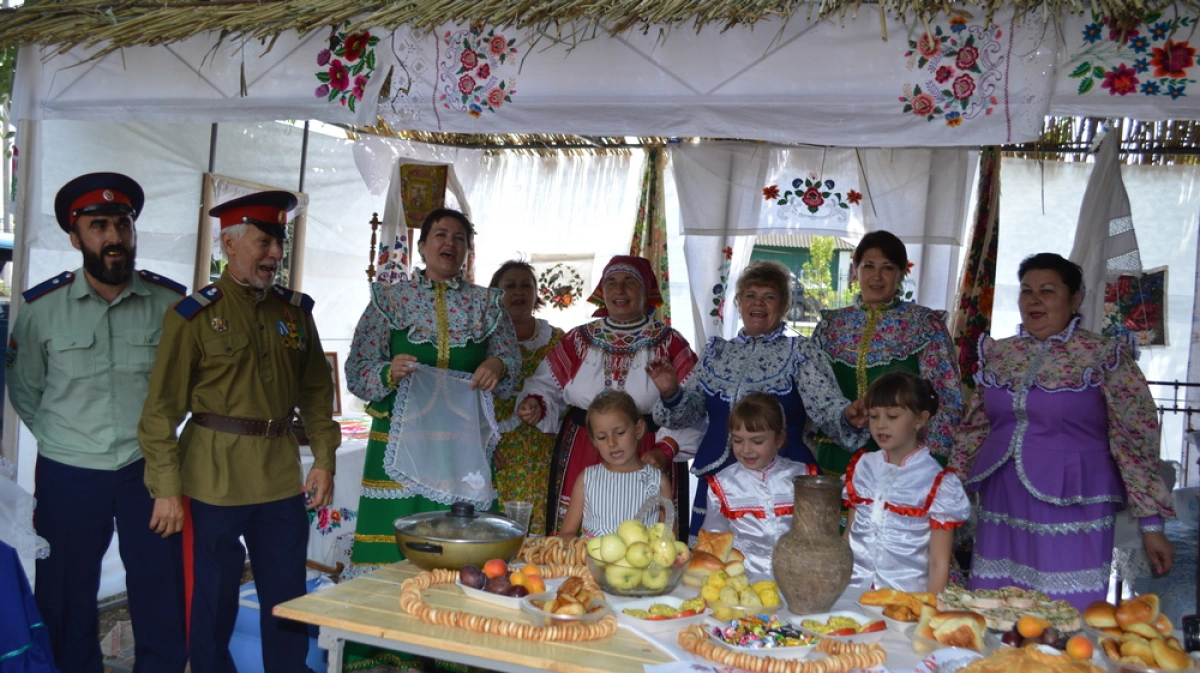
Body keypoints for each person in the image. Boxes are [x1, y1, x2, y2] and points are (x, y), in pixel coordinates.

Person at [138, 190, 340, 673]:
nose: (275, 253)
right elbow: (159, 412)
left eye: (279, 242)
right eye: (264, 241)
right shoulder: (194, 315)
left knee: (287, 596)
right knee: (211, 600)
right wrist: (165, 489)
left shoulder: (295, 314)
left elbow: (316, 394)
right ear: (229, 244)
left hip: (277, 477)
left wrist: (327, 461)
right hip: (212, 476)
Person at [6, 172, 187, 673]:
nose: (113, 237)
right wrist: (59, 438)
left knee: (159, 584)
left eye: (122, 224)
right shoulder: (41, 310)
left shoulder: (170, 305)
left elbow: (182, 387)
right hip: (69, 470)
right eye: (99, 225)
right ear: (75, 236)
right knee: (64, 589)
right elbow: (24, 387)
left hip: (146, 470)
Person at [343, 208, 519, 672]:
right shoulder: (389, 300)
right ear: (421, 246)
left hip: (461, 449)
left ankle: (455, 657)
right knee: (393, 550)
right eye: (440, 234)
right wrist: (387, 371)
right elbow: (357, 372)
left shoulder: (487, 304)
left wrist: (498, 367)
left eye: (460, 237)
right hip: (397, 448)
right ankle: (385, 655)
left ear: (467, 250)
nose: (450, 243)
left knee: (460, 549)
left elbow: (511, 364)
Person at [950, 253, 1175, 610]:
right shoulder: (1000, 354)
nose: (1034, 300)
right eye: (1026, 291)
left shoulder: (1103, 356)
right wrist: (949, 489)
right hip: (1003, 499)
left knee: (1066, 614)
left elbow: (1137, 442)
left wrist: (1151, 525)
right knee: (997, 608)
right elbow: (974, 429)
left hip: (1075, 502)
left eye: (1048, 291)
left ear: (1075, 299)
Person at [651, 260, 868, 541]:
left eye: (769, 296)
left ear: (785, 306)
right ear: (739, 303)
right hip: (718, 477)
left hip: (780, 481)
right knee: (715, 562)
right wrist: (670, 392)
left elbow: (826, 406)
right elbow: (686, 414)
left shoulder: (801, 352)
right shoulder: (717, 352)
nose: (759, 303)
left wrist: (847, 415)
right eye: (751, 295)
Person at [516, 255, 702, 536]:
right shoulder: (578, 340)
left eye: (630, 282)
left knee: (645, 536)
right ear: (603, 292)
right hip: (585, 446)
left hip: (647, 449)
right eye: (611, 282)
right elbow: (544, 385)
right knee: (581, 531)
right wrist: (535, 404)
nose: (620, 290)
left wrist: (667, 448)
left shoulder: (670, 342)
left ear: (646, 291)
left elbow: (697, 406)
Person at [811, 231, 962, 475]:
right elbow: (815, 392)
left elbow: (945, 397)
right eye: (868, 266)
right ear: (855, 270)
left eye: (888, 268)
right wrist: (842, 416)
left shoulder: (924, 325)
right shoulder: (831, 326)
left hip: (902, 461)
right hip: (836, 459)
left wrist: (934, 461)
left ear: (901, 274)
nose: (877, 277)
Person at [844, 372, 970, 594]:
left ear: (920, 419)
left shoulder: (937, 482)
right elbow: (848, 537)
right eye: (874, 416)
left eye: (892, 416)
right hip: (853, 592)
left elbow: (938, 563)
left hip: (906, 600)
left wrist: (929, 612)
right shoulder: (862, 467)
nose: (881, 425)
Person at [700, 393, 817, 577]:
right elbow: (713, 542)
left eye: (757, 441)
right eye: (738, 440)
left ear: (779, 440)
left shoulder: (802, 477)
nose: (746, 449)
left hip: (799, 578)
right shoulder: (723, 484)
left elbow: (818, 533)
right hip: (743, 580)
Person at [489, 261, 565, 536]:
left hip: (546, 450)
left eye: (526, 285)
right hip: (499, 453)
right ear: (495, 294)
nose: (518, 292)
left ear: (536, 294)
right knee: (500, 532)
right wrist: (479, 446)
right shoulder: (482, 341)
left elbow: (571, 394)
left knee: (546, 527)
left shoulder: (559, 341)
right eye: (510, 286)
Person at [559, 390, 672, 539]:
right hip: (591, 561)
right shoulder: (587, 479)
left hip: (640, 561)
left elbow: (668, 540)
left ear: (638, 429)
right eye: (601, 437)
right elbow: (567, 533)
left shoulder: (658, 481)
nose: (612, 443)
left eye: (620, 433)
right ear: (593, 441)